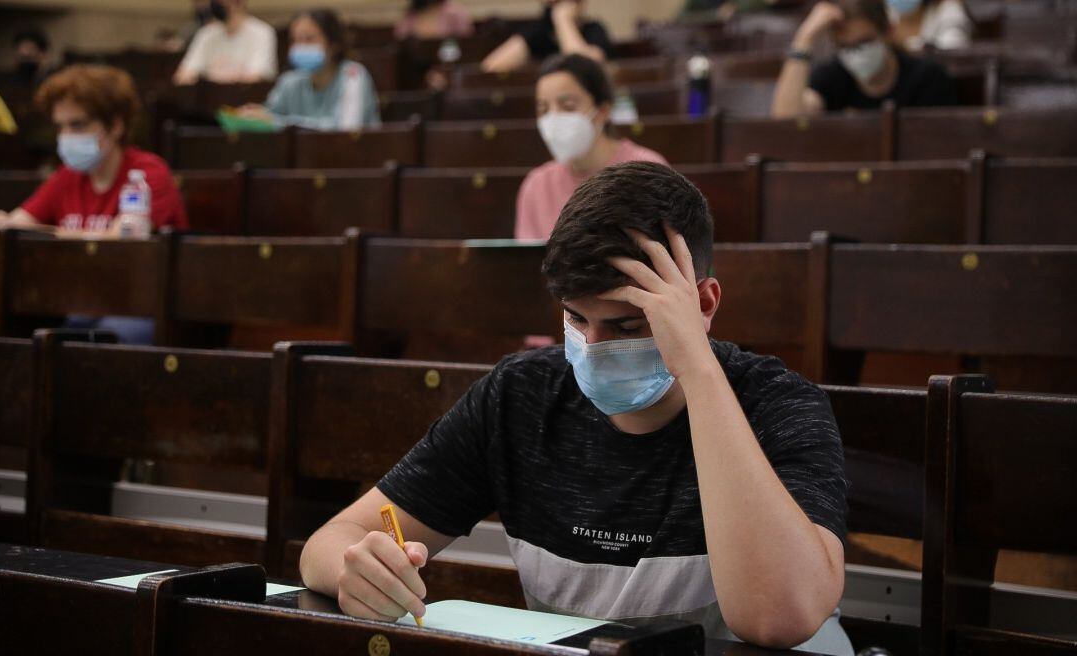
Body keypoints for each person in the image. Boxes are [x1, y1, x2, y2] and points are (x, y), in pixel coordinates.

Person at [299, 160, 852, 654]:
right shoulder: (518, 396)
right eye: (574, 318)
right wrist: (358, 569)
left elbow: (780, 617)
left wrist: (699, 371)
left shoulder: (779, 405)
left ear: (703, 304)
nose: (592, 346)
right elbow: (329, 543)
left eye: (627, 326)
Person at [0, 65, 189, 344]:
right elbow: (16, 226)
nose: (66, 136)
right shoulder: (66, 177)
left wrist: (49, 235)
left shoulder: (147, 173)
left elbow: (120, 241)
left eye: (78, 125)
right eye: (60, 126)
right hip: (77, 301)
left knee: (96, 346)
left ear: (115, 125)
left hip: (140, 306)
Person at [515, 54, 668, 241]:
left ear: (603, 111)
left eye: (568, 106)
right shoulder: (536, 185)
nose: (553, 119)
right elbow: (527, 264)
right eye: (543, 109)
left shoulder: (648, 172)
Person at [771, 0, 957, 118]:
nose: (857, 54)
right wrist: (804, 38)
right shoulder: (832, 76)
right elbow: (786, 119)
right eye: (845, 47)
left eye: (864, 42)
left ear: (887, 33)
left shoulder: (927, 78)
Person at [238, 9, 380, 131]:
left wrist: (279, 123)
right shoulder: (289, 81)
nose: (301, 46)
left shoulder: (353, 75)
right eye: (295, 40)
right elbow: (268, 117)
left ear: (333, 44)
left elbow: (346, 130)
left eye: (309, 39)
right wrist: (253, 117)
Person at [481, 0, 614, 73]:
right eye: (547, 3)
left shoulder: (594, 29)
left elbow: (583, 67)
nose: (552, 10)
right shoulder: (539, 31)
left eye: (558, 2)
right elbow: (490, 68)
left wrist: (563, 21)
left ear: (578, 2)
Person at [173, 0, 277, 85]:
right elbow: (183, 75)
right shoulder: (206, 34)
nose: (214, 3)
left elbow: (258, 76)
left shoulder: (262, 33)